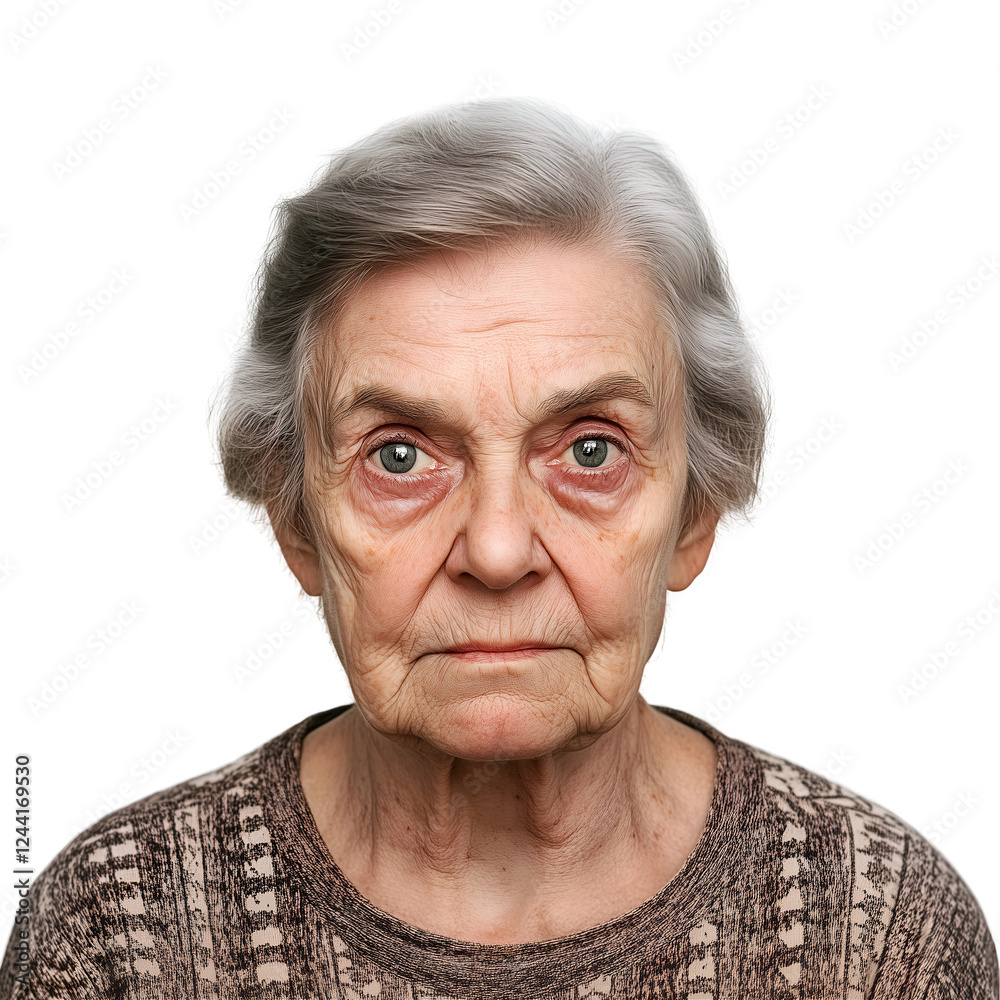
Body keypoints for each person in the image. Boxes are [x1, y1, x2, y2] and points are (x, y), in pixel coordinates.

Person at [2, 97, 995, 999]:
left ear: (696, 510)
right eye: (398, 455)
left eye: (591, 449)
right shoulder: (117, 935)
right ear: (293, 520)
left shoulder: (880, 933)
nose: (497, 546)